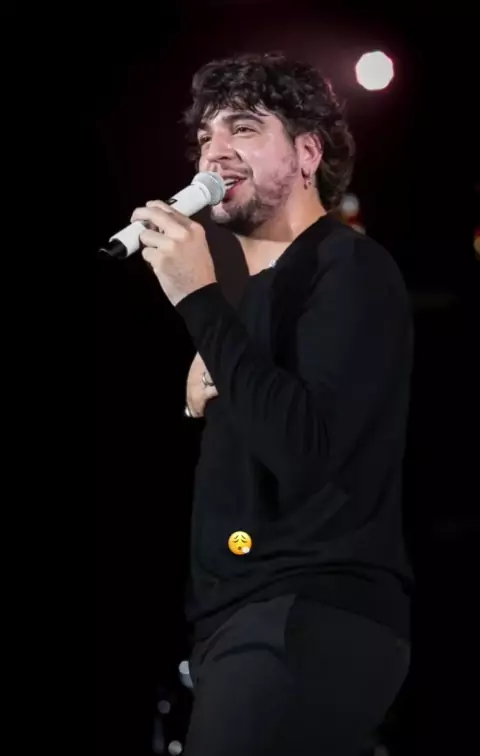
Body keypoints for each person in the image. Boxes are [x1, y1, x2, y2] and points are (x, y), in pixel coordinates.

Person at [131, 51, 414, 756]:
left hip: (307, 613)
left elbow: (305, 451)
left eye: (245, 129)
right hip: (238, 626)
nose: (215, 152)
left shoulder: (348, 266)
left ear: (308, 153)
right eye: (206, 136)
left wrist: (198, 302)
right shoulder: (242, 309)